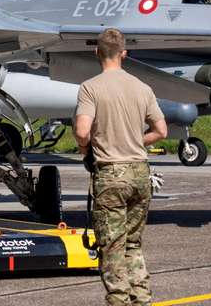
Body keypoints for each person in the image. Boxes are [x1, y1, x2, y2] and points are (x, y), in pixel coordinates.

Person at [74, 27, 167, 306]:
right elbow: (161, 130)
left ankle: (119, 301)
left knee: (112, 247)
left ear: (96, 53)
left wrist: (86, 149)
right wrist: (132, 140)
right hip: (140, 172)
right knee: (133, 245)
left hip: (111, 174)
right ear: (124, 53)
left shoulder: (91, 88)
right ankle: (142, 300)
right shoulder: (142, 87)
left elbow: (81, 131)